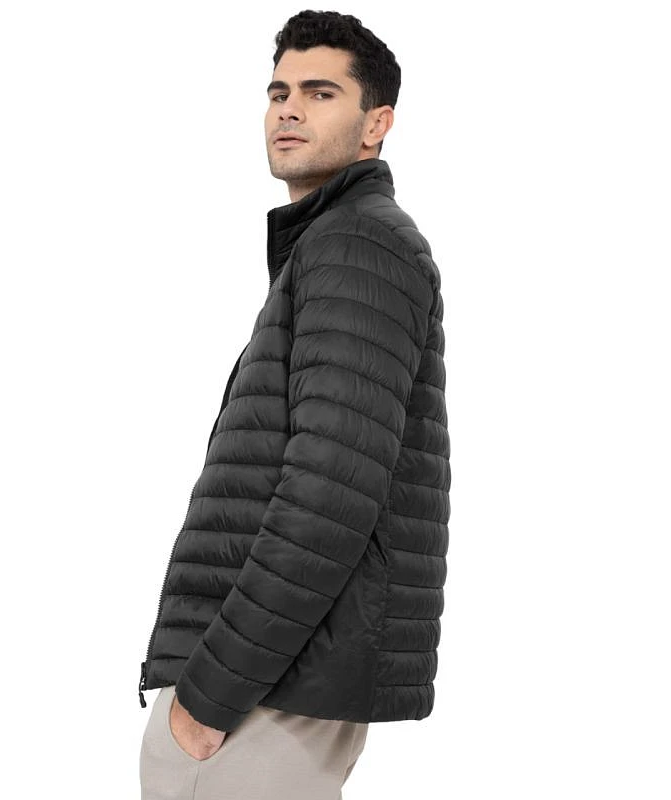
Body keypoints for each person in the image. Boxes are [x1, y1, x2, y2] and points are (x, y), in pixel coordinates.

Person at [138, 10, 450, 799]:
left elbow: (328, 494)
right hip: (280, 674)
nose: (289, 109)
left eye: (320, 92)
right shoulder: (334, 241)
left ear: (377, 123)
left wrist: (212, 693)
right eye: (279, 92)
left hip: (265, 688)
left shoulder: (357, 245)